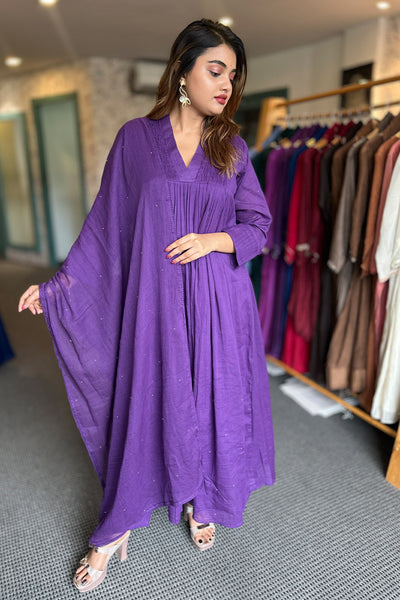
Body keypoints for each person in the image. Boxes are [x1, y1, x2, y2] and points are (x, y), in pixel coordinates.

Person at [18, 18, 275, 593]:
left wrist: (213, 239)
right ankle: (118, 526)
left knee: (211, 401)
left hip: (218, 303)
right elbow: (106, 225)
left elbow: (258, 224)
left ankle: (204, 499)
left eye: (233, 75)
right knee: (151, 400)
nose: (226, 84)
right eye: (215, 70)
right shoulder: (135, 139)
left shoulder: (232, 147)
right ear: (182, 70)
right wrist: (59, 287)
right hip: (155, 302)